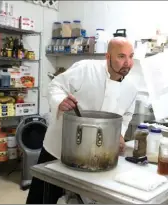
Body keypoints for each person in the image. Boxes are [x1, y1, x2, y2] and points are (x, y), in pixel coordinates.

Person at [26, 37, 138, 204]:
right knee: (42, 198)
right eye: (121, 56)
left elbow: (126, 115)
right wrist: (60, 100)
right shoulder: (87, 69)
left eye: (131, 56)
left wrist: (119, 134)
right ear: (107, 57)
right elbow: (56, 86)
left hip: (96, 156)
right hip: (59, 148)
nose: (127, 63)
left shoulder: (131, 88)